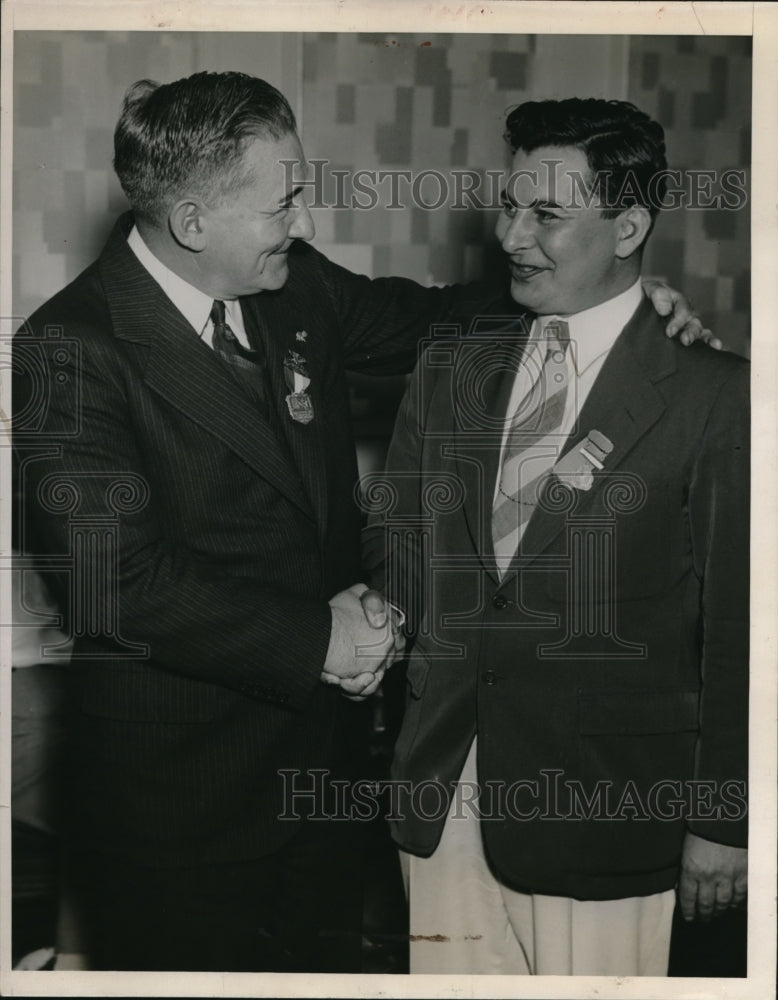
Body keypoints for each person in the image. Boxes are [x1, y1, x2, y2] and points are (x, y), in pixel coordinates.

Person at [13, 72, 705, 973]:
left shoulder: (290, 289)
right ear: (192, 223)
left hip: (323, 779)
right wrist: (319, 642)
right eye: (283, 203)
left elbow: (430, 320)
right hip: (177, 805)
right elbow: (114, 586)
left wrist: (617, 310)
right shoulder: (69, 349)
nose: (303, 223)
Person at [363, 98, 748, 976]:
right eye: (509, 206)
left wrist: (725, 818)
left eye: (546, 215)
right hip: (444, 794)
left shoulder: (717, 395)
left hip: (611, 809)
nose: (510, 235)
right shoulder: (452, 364)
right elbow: (397, 537)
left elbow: (744, 633)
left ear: (629, 227)